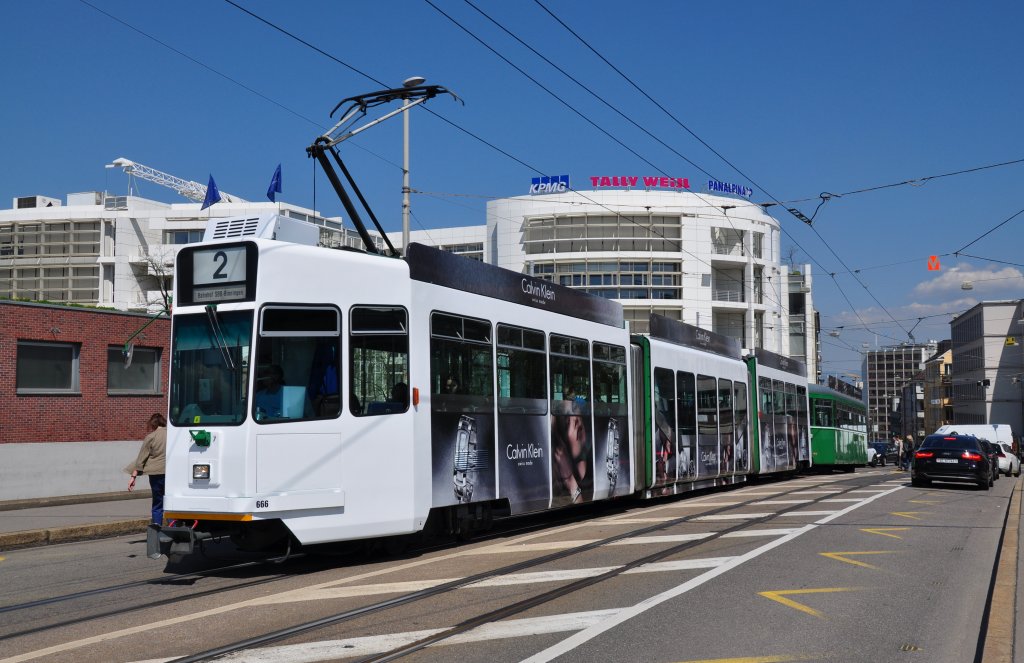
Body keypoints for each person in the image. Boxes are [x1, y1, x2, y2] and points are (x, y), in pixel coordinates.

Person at [128, 413, 167, 525]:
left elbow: (141, 459)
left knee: (157, 503)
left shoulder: (151, 437)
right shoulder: (173, 435)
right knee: (170, 503)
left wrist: (133, 477)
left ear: (152, 424)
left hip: (156, 474)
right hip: (171, 474)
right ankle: (173, 528)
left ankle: (157, 528)